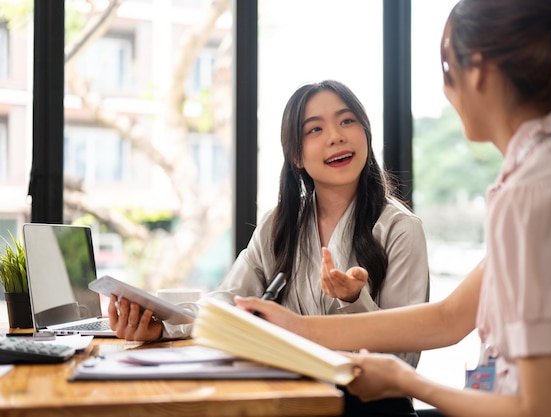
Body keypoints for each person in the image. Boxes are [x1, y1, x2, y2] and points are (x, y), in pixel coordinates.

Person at [235, 1, 551, 416]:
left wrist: (406, 381)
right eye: (314, 128)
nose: (444, 89)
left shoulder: (533, 196)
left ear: (476, 71)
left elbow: (550, 410)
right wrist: (297, 327)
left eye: (445, 69)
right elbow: (449, 316)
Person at [108, 80, 431, 417]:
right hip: (287, 399)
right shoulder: (278, 225)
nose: (336, 135)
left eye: (347, 120)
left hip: (370, 409)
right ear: (295, 155)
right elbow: (228, 303)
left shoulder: (400, 228)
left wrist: (354, 301)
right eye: (315, 129)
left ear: (365, 133)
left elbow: (402, 358)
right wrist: (162, 328)